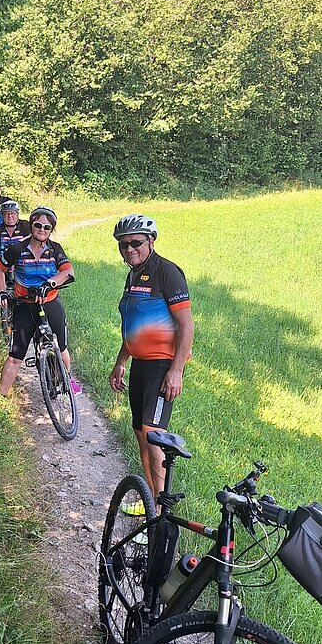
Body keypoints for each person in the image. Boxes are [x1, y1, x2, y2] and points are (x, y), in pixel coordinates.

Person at [108, 214, 194, 503]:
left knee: (153, 434)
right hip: (140, 364)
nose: (129, 249)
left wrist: (176, 371)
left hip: (162, 365)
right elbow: (134, 325)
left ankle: (162, 510)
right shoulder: (133, 274)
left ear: (151, 241)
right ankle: (152, 504)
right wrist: (121, 362)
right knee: (140, 433)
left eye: (135, 243)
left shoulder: (167, 272)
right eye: (123, 245)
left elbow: (186, 325)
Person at [0, 206, 82, 397]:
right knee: (14, 357)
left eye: (47, 227)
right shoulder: (18, 249)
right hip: (25, 305)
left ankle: (68, 379)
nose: (42, 229)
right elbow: (0, 268)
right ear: (31, 225)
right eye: (38, 225)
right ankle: (0, 397)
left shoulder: (55, 249)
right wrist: (1, 292)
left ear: (51, 230)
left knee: (61, 348)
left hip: (49, 302)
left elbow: (68, 272)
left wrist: (49, 283)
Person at [0, 199, 30, 325]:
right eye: (6, 213)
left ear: (17, 214)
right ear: (2, 215)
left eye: (12, 213)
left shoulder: (25, 226)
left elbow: (36, 235)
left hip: (22, 269)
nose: (10, 216)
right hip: (3, 269)